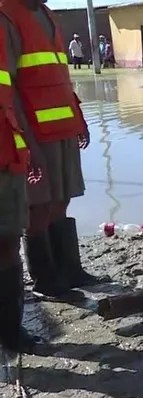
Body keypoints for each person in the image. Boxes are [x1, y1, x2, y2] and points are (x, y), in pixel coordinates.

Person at [1, 0, 103, 301]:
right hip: (34, 132)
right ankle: (45, 279)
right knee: (39, 207)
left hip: (62, 127)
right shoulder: (7, 16)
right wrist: (25, 140)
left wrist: (79, 120)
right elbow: (9, 89)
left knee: (62, 199)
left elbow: (58, 76)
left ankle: (70, 271)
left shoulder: (46, 14)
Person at [0, 22, 37, 355]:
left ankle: (11, 332)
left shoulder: (5, 27)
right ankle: (11, 334)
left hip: (6, 155)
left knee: (8, 244)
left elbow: (15, 98)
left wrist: (27, 149)